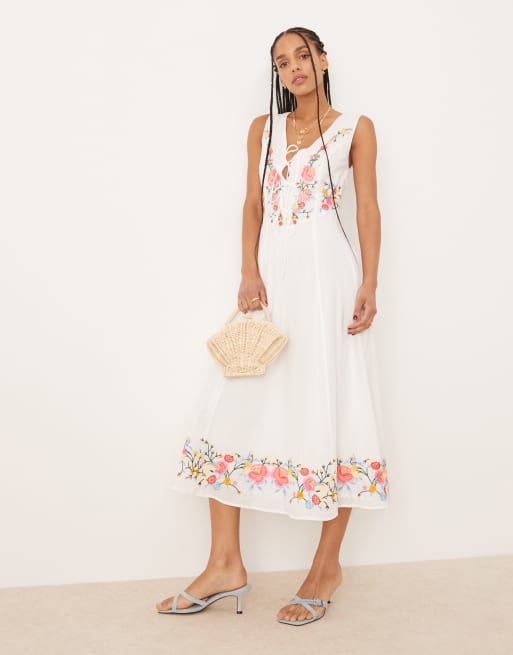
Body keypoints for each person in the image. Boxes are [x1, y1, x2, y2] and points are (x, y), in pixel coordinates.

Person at [156, 26, 389, 626]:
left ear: (323, 60)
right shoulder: (263, 130)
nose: (294, 68)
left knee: (333, 407)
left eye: (302, 56)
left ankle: (325, 569)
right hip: (270, 285)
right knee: (228, 404)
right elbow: (254, 205)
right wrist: (247, 271)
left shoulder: (356, 128)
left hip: (328, 285)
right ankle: (224, 565)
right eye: (282, 62)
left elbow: (366, 207)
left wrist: (369, 282)